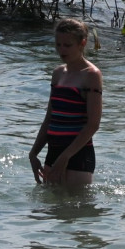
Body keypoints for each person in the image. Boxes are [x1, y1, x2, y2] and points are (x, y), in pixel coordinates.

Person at [29, 18, 103, 187]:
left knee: (74, 210)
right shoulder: (57, 73)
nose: (61, 50)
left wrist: (65, 157)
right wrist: (33, 153)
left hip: (78, 154)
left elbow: (93, 125)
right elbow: (50, 118)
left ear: (82, 43)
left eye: (67, 45)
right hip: (54, 151)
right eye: (58, 44)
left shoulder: (91, 75)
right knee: (49, 210)